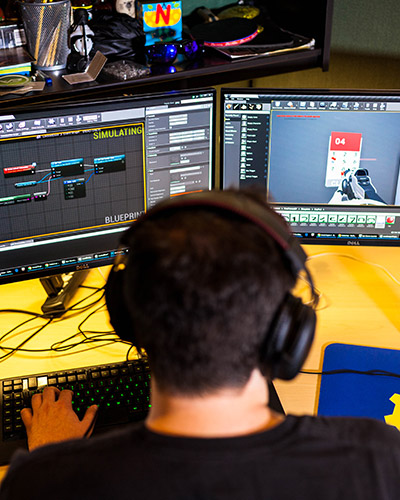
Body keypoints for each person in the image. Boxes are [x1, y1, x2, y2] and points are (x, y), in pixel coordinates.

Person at [1, 189, 400, 500]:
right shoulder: (380, 458)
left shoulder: (41, 483)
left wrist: (47, 455)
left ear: (124, 318)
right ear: (286, 331)